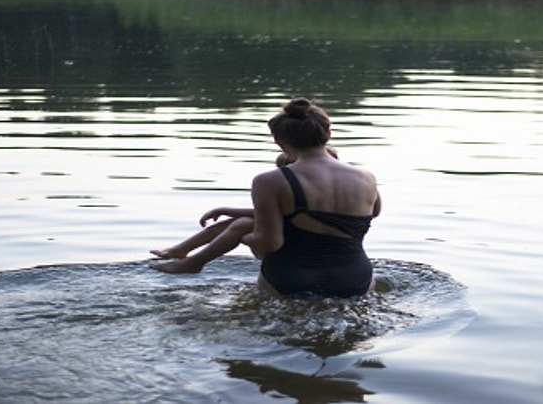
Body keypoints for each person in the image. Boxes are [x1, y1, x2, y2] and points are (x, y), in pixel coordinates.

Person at [154, 97, 381, 299]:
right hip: (355, 278)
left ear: (279, 141)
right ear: (328, 134)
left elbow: (269, 242)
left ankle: (191, 264)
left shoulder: (270, 180)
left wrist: (240, 235)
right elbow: (374, 212)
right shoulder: (366, 177)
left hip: (289, 277)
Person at [148, 146, 338, 274]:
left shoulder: (312, 191)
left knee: (242, 225)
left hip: (299, 251)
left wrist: (233, 220)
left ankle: (191, 262)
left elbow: (272, 217)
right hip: (314, 249)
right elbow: (272, 215)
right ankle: (182, 251)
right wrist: (227, 210)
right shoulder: (339, 187)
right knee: (240, 223)